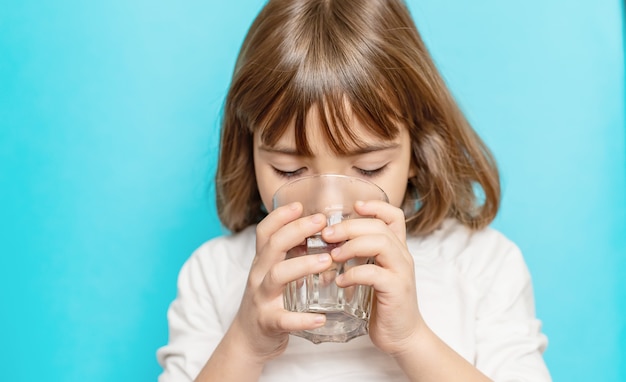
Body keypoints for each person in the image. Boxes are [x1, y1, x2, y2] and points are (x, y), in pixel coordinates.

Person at [157, 0, 551, 380]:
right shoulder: (212, 275)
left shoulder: (482, 266)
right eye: (289, 170)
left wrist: (412, 339)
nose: (329, 206)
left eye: (368, 168)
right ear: (249, 153)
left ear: (417, 149)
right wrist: (244, 343)